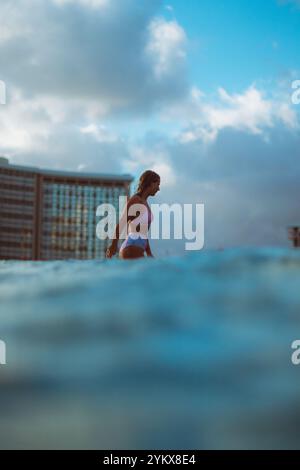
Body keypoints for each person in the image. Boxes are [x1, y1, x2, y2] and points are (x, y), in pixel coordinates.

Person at [106, 170, 160, 259]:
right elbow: (122, 222)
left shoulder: (145, 203)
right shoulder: (136, 200)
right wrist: (113, 245)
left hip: (139, 246)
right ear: (151, 183)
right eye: (157, 184)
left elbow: (143, 232)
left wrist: (149, 253)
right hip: (132, 246)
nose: (158, 188)